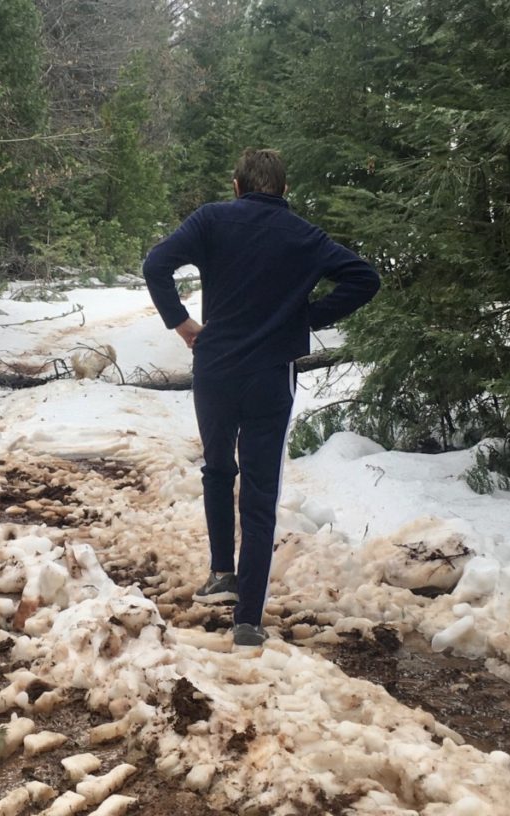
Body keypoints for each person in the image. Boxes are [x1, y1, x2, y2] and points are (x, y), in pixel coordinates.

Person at [143, 148, 379, 647]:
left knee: (216, 468)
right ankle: (247, 619)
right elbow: (365, 278)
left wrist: (181, 324)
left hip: (215, 369)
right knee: (259, 491)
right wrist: (305, 318)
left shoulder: (212, 220)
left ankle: (221, 573)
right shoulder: (303, 235)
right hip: (271, 375)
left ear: (237, 186)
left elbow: (156, 264)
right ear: (284, 190)